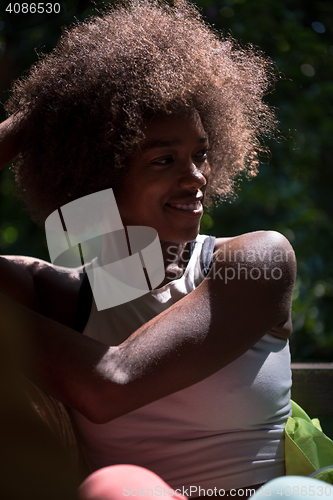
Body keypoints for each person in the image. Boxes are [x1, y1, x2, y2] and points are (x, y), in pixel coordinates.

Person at [0, 1, 298, 498]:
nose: (197, 177)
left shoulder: (255, 260)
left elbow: (111, 383)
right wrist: (44, 121)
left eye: (200, 154)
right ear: (98, 175)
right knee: (120, 485)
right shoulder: (61, 294)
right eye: (164, 159)